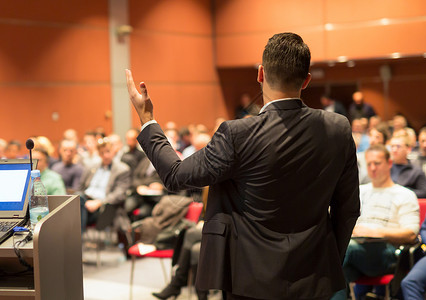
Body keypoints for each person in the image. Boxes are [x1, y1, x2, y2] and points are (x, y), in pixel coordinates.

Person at [126, 32, 360, 300]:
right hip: (315, 277)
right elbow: (348, 208)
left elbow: (175, 175)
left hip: (249, 279)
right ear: (306, 80)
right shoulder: (338, 128)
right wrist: (330, 259)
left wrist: (147, 118)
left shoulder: (237, 134)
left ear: (260, 74)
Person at [331, 144, 420, 300]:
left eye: (377, 163)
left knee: (342, 253)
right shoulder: (360, 190)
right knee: (333, 275)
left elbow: (411, 234)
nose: (372, 168)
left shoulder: (405, 194)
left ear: (389, 163)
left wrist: (375, 232)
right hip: (355, 251)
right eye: (369, 164)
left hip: (388, 253)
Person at [78, 138, 131, 231]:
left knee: (78, 208)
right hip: (85, 200)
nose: (105, 155)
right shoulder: (91, 167)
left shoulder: (122, 169)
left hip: (103, 206)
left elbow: (119, 193)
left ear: (113, 151)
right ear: (98, 153)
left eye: (108, 151)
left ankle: (77, 239)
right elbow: (81, 186)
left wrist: (99, 202)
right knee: (76, 199)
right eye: (102, 153)